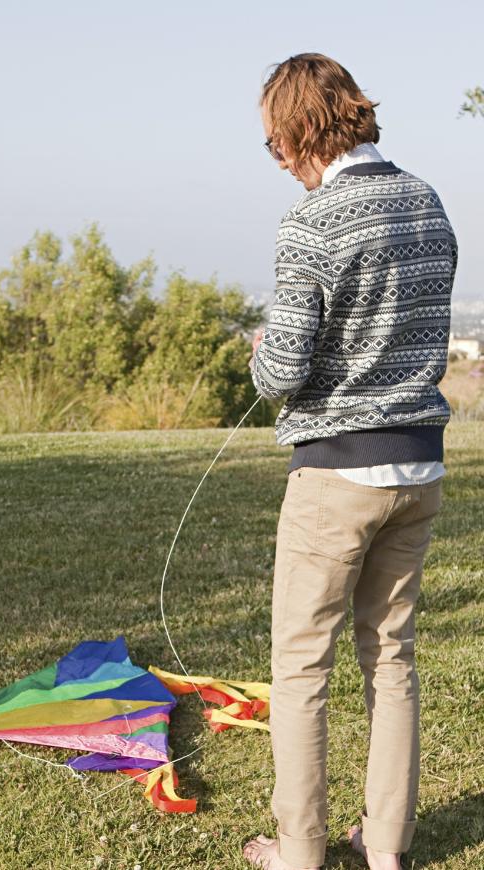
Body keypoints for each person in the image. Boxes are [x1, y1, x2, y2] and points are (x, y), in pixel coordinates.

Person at [243, 53, 457, 870]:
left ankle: (299, 851)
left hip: (336, 474)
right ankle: (388, 848)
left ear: (300, 132)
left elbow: (285, 372)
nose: (278, 162)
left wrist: (259, 356)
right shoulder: (427, 200)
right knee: (392, 656)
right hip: (419, 469)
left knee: (302, 667)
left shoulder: (312, 222)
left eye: (274, 144)